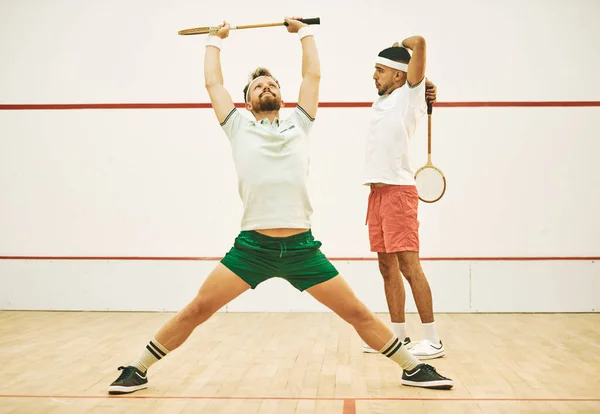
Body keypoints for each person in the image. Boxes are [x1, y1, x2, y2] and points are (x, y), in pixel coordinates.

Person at [107, 19, 453, 395]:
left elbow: (312, 76)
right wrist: (213, 41)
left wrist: (304, 33)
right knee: (197, 310)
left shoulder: (299, 124)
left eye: (272, 84)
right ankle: (137, 369)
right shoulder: (237, 126)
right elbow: (213, 84)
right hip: (253, 249)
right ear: (247, 101)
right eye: (258, 86)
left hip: (302, 249)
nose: (266, 87)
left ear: (282, 96)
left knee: (356, 313)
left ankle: (412, 368)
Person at [361, 36, 446, 360]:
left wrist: (402, 44)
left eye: (380, 70)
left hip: (398, 193)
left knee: (409, 266)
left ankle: (433, 339)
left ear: (399, 75)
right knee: (387, 267)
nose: (374, 76)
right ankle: (399, 337)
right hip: (377, 194)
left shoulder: (408, 98)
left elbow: (422, 44)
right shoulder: (381, 101)